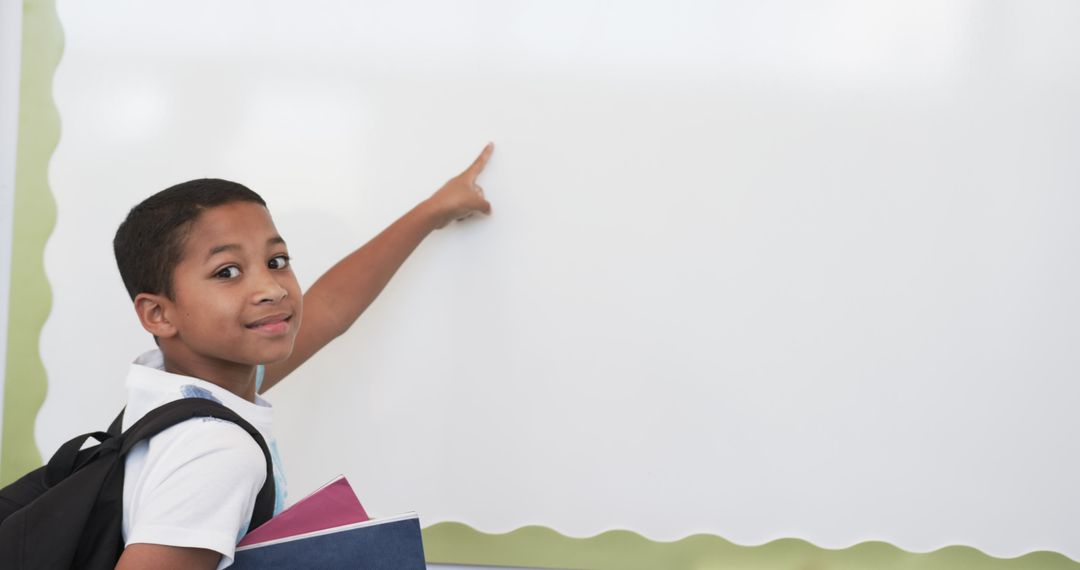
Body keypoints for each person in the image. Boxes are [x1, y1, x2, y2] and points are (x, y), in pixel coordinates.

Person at [109, 143, 494, 570]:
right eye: (227, 272)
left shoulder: (177, 390)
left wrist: (432, 211)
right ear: (158, 313)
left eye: (276, 261)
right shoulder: (216, 449)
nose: (272, 288)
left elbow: (328, 309)